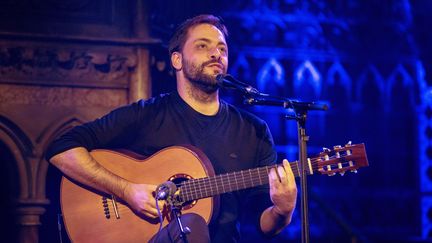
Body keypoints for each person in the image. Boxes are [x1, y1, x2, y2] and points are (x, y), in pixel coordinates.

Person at [46, 14, 297, 243]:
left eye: (222, 48)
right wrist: (126, 190)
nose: (216, 54)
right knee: (190, 224)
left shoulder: (253, 131)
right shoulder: (147, 115)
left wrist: (282, 212)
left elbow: (263, 225)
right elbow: (61, 149)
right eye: (202, 46)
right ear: (177, 59)